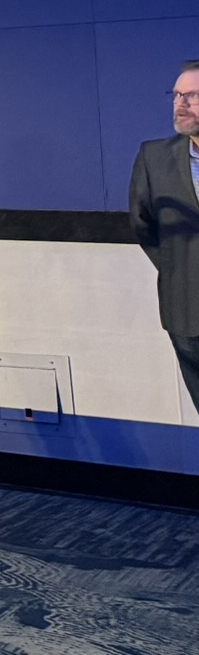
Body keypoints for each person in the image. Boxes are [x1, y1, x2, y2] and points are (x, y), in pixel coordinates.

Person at [130, 61, 199, 413]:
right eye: (176, 94)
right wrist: (178, 269)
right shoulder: (153, 157)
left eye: (192, 96)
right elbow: (144, 225)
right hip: (187, 310)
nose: (180, 103)